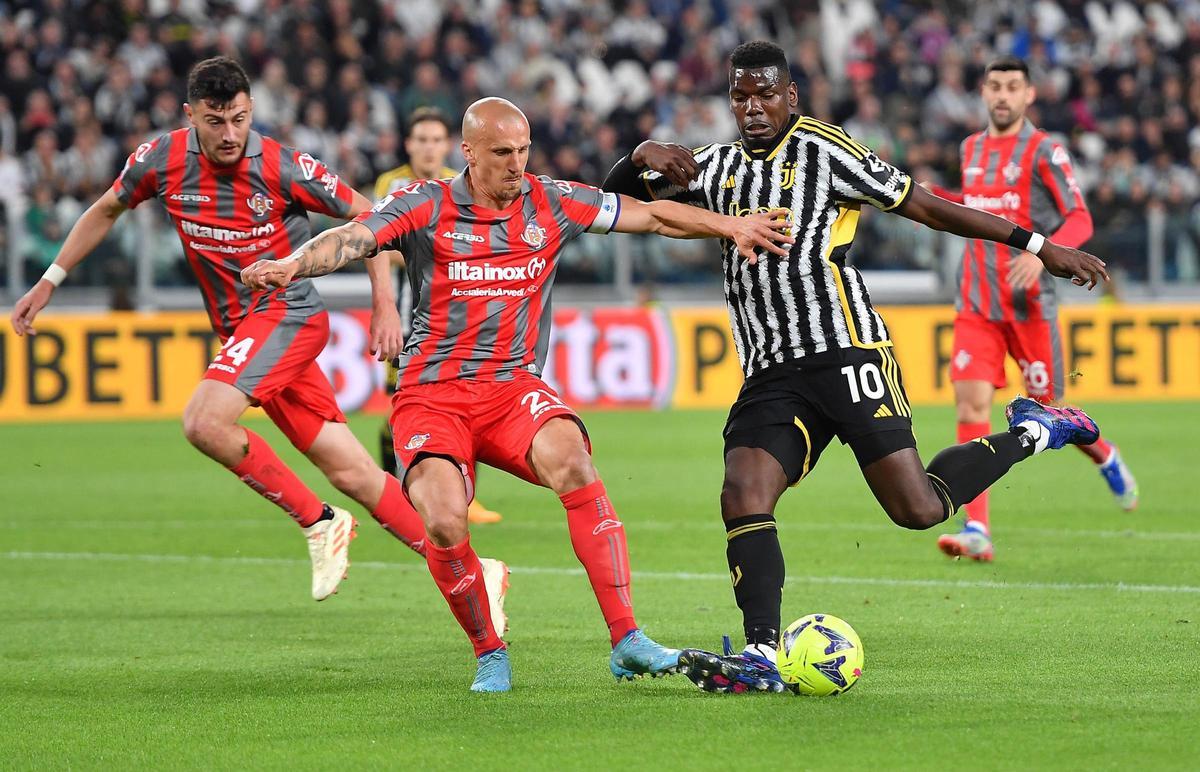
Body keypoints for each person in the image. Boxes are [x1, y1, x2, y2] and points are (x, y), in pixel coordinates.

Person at [601, 40, 1109, 694]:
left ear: (791, 96)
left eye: (765, 94)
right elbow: (611, 206)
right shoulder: (711, 165)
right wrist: (640, 154)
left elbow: (926, 206)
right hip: (771, 371)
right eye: (740, 96)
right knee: (742, 493)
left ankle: (1040, 430)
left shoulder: (825, 149)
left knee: (919, 509)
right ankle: (760, 656)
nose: (752, 107)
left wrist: (1041, 245)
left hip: (845, 349)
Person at [239, 96, 794, 693]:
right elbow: (354, 237)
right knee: (446, 521)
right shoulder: (424, 205)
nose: (516, 164)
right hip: (432, 394)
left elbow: (652, 216)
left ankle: (627, 639)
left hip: (512, 389)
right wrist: (293, 265)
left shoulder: (550, 200)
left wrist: (733, 225)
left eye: (523, 151)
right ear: (469, 152)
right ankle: (489, 652)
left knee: (574, 462)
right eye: (502, 153)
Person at [8, 58, 509, 631]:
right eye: (216, 121)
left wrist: (384, 301)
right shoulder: (160, 160)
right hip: (246, 333)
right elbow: (106, 209)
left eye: (240, 120)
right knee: (357, 474)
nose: (229, 135)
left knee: (203, 421)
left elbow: (366, 215)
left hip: (285, 314)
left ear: (252, 112)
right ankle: (477, 569)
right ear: (189, 114)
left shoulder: (283, 165)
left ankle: (319, 521)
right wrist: (49, 281)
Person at [926, 56, 1138, 562]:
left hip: (1028, 309)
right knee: (971, 407)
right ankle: (976, 527)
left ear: (1029, 96)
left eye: (1012, 87)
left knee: (1048, 415)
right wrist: (934, 200)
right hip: (975, 303)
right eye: (994, 86)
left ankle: (1102, 451)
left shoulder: (1045, 150)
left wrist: (1042, 255)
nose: (1002, 95)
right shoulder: (970, 147)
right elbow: (978, 206)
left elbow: (1080, 217)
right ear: (983, 92)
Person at [373, 107, 502, 525]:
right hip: (408, 318)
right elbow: (382, 246)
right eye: (421, 140)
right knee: (401, 404)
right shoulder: (392, 185)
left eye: (435, 140)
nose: (428, 147)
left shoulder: (459, 182)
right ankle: (394, 490)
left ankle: (464, 495)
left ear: (449, 145)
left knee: (467, 399)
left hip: (455, 318)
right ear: (408, 145)